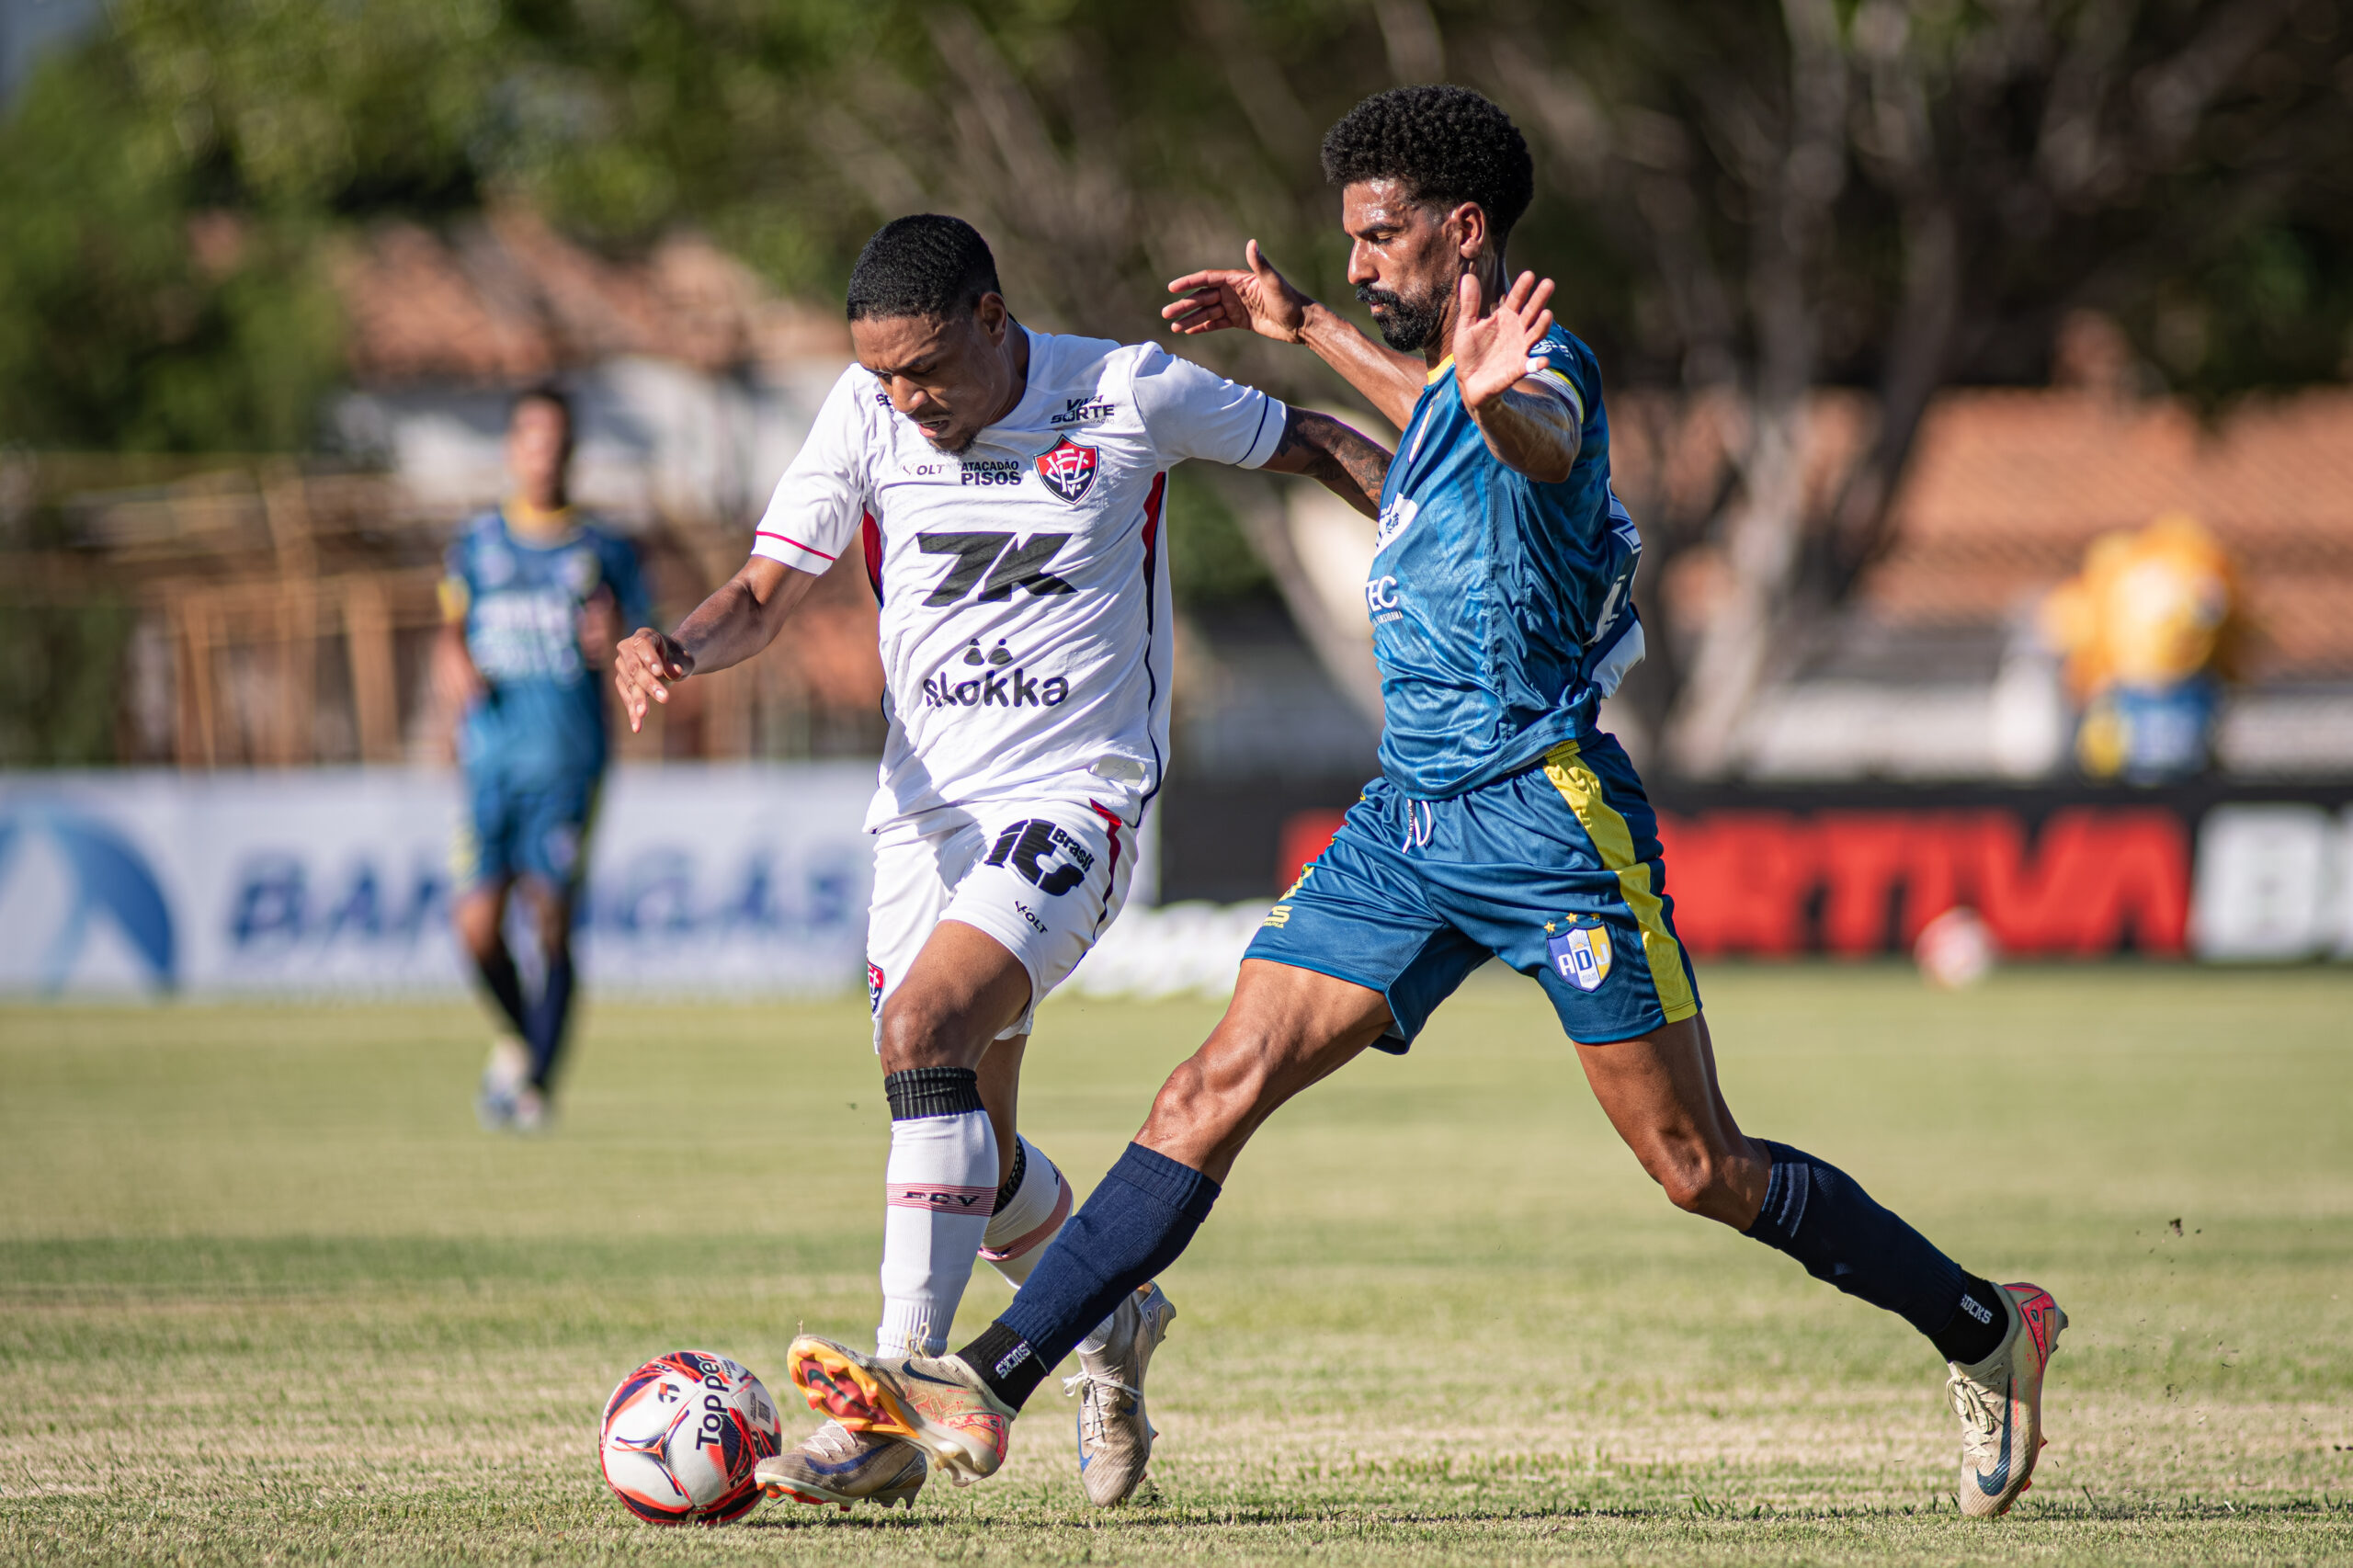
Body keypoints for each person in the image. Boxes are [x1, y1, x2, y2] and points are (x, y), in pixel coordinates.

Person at [782, 87, 2068, 1524]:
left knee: (1700, 1165)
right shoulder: (1440, 378)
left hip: (1547, 817)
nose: (1359, 263)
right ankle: (990, 1382)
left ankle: (1986, 1327)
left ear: (1463, 232)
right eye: (1348, 240)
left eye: (1379, 238)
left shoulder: (1541, 370)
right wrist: (1309, 331)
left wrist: (1490, 389)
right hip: (1408, 822)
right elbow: (1427, 409)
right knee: (1212, 1088)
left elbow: (1527, 430)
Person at [610, 215, 1391, 1511]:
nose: (909, 403)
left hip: (1076, 800)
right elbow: (762, 592)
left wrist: (1449, 526)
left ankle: (899, 1387)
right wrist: (679, 646)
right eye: (885, 378)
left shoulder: (1126, 390)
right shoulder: (864, 416)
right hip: (923, 823)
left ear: (991, 318)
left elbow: (1310, 441)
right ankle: (1112, 1320)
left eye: (927, 370)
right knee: (975, 1140)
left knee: (925, 1025)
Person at [437, 387, 647, 1134]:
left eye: (558, 441)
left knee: (551, 919)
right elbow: (450, 629)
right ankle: (525, 1043)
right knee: (474, 927)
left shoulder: (604, 551)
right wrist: (453, 662)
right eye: (532, 438)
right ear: (512, 448)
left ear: (571, 453)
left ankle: (533, 1086)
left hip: (567, 762)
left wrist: (619, 636)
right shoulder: (477, 543)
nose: (544, 454)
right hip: (490, 763)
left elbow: (639, 641)